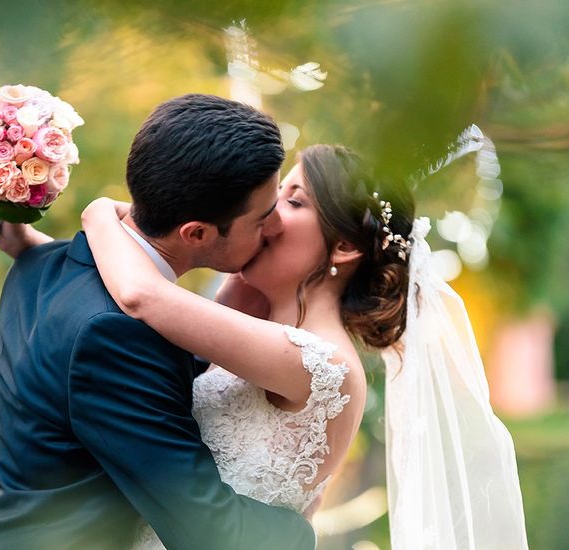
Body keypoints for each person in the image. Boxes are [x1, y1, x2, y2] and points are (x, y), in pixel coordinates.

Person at [76, 142, 529, 548]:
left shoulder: (318, 360)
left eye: (291, 202)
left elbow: (140, 295)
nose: (267, 217)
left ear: (345, 246)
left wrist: (99, 211)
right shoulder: (261, 324)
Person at [0, 94, 316, 550]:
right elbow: (210, 531)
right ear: (197, 233)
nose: (276, 227)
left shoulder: (40, 264)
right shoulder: (117, 335)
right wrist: (304, 528)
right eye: (262, 219)